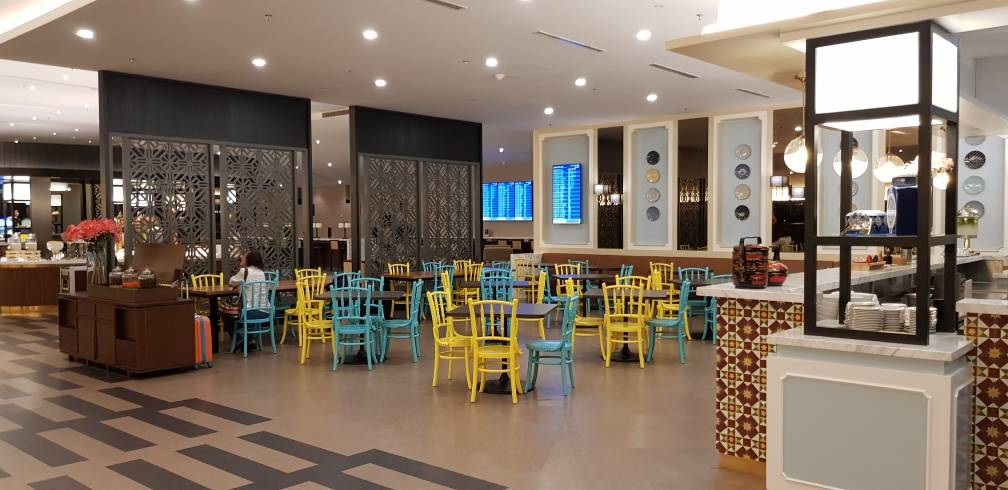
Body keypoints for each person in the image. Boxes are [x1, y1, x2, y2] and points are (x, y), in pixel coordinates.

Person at [223, 250, 270, 350]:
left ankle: (239, 341)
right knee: (249, 309)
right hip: (265, 311)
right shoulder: (261, 273)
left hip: (250, 312)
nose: (242, 258)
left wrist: (242, 268)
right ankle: (249, 340)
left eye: (244, 257)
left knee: (226, 314)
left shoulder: (244, 271)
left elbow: (231, 282)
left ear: (248, 260)